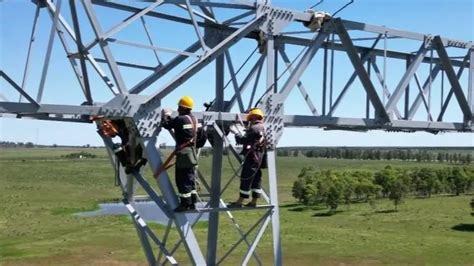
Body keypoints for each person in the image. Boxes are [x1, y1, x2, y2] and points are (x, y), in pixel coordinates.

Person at [161, 96, 206, 212]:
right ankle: (192, 202)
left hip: (183, 153)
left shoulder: (180, 119)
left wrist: (166, 115)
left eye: (179, 107)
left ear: (182, 107)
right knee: (190, 178)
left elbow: (166, 124)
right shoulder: (196, 120)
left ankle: (184, 204)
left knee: (182, 179)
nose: (178, 109)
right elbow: (202, 138)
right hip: (192, 152)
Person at [228, 108, 266, 208]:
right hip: (259, 158)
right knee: (256, 179)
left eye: (250, 118)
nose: (249, 120)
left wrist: (236, 134)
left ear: (254, 117)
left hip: (252, 158)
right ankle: (254, 201)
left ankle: (239, 202)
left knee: (246, 178)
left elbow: (243, 140)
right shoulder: (263, 127)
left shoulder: (254, 128)